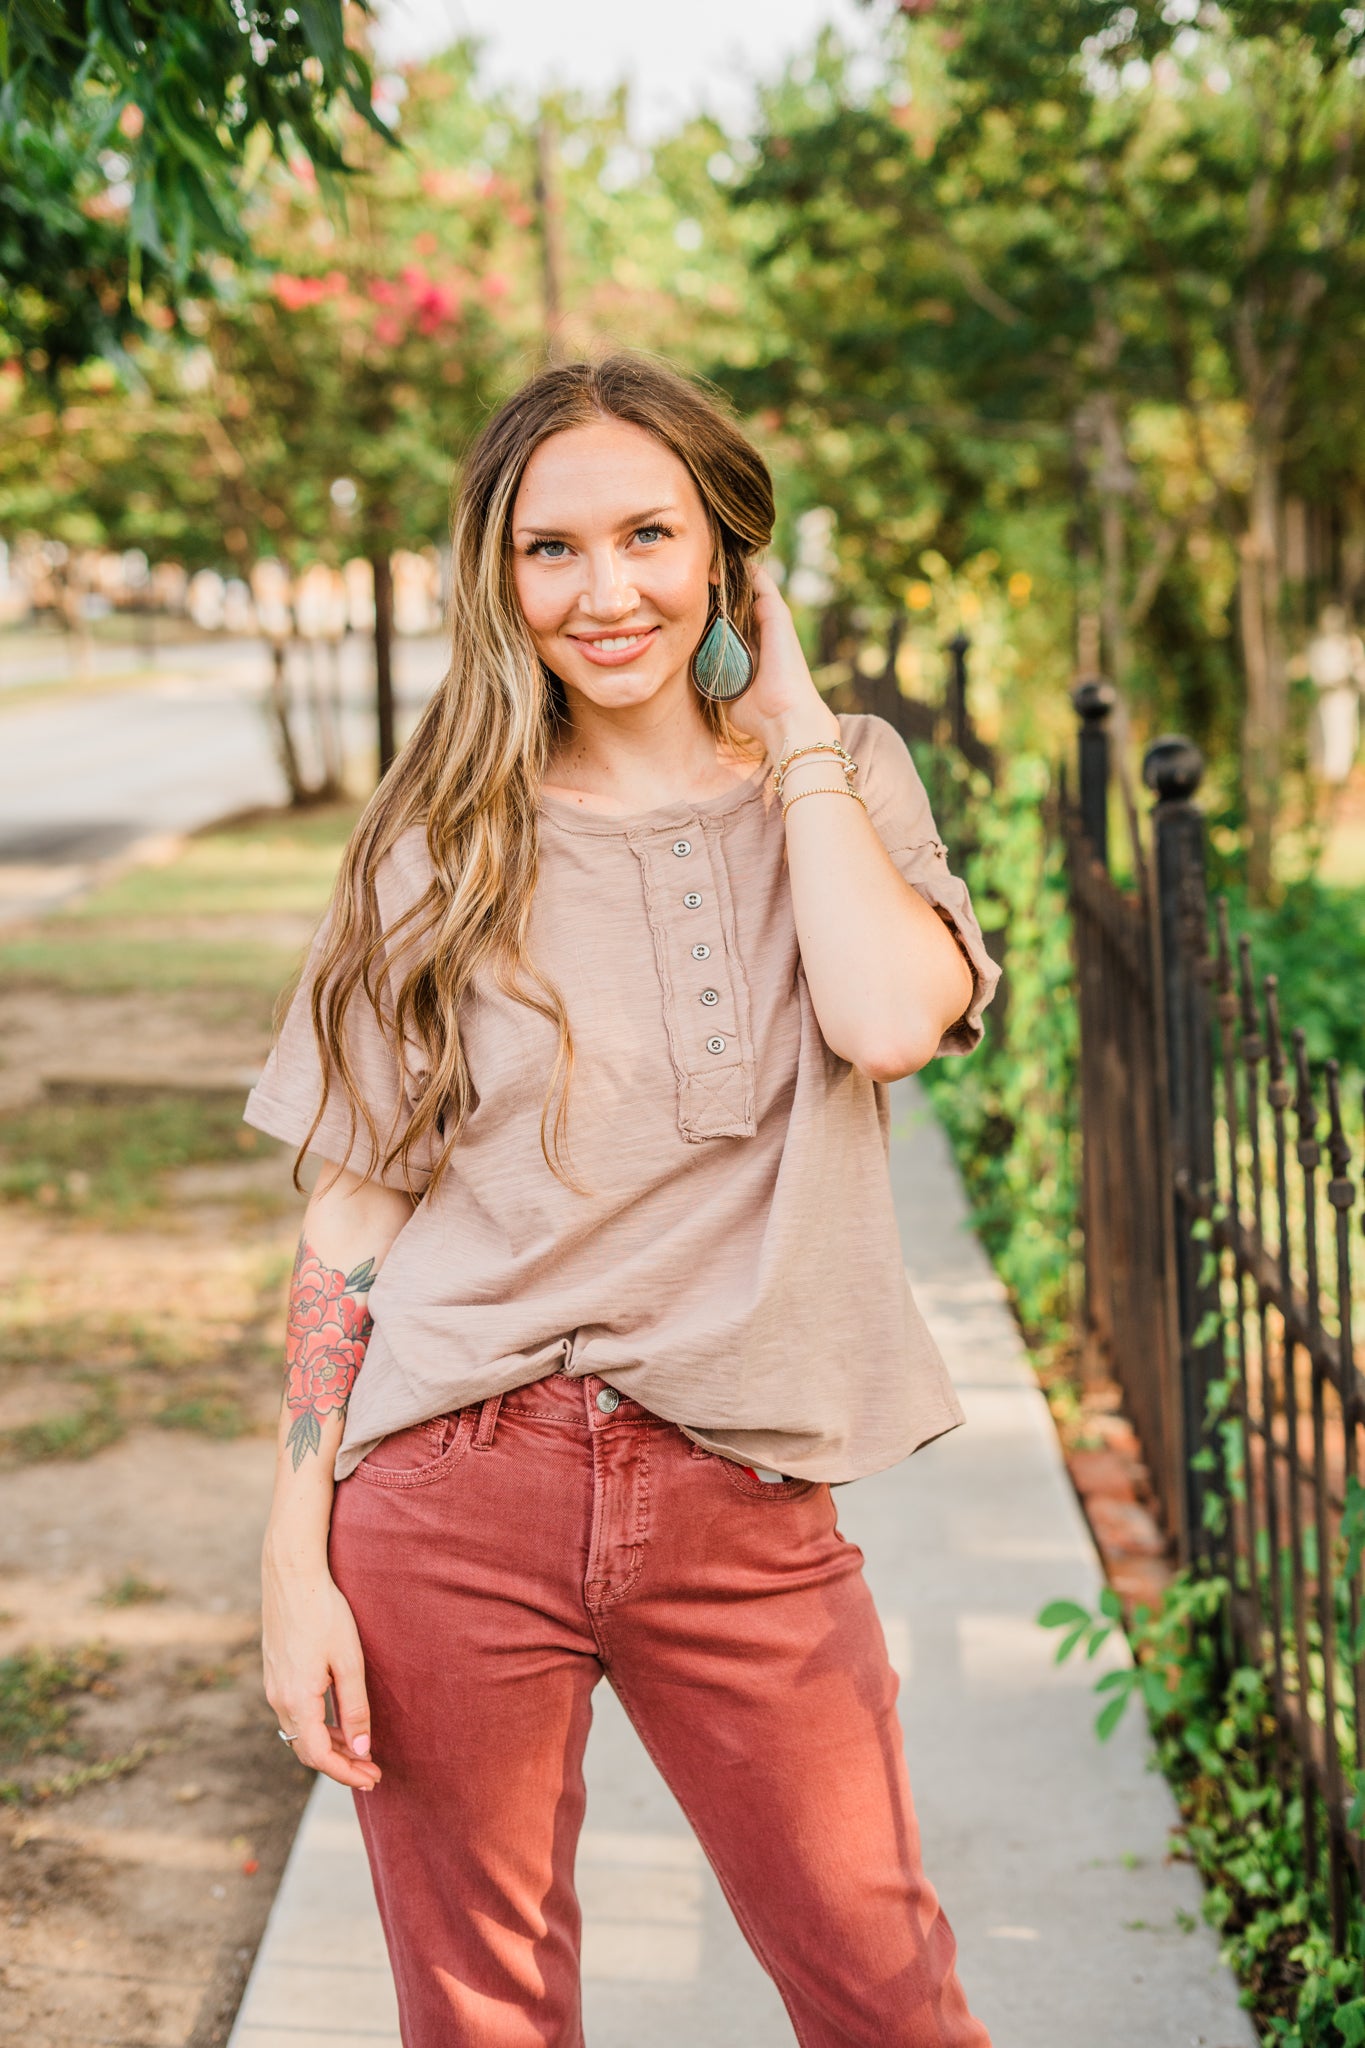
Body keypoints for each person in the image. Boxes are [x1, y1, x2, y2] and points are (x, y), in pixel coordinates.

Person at [244, 352, 1001, 2047]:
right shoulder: (434, 841)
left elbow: (887, 1022)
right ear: (499, 580)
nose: (606, 592)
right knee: (485, 2016)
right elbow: (352, 1222)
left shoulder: (849, 782)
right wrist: (295, 1562)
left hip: (739, 1492)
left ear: (728, 553)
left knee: (886, 1993)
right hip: (450, 1500)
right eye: (551, 549)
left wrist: (791, 729)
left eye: (649, 535)